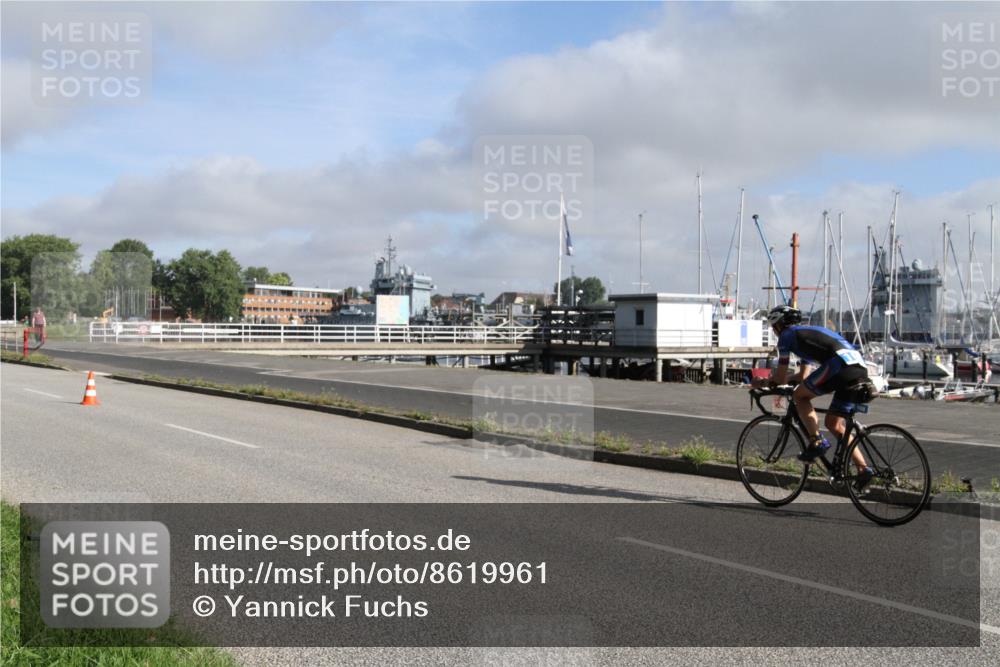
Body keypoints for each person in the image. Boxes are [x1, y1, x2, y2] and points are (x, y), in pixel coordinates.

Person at [752, 305, 873, 489]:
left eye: (773, 326)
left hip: (839, 366)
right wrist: (787, 379)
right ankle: (864, 470)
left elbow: (780, 377)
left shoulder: (787, 336)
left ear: (778, 325)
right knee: (835, 424)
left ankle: (816, 441)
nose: (774, 331)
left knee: (800, 397)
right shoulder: (806, 335)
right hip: (857, 367)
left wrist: (763, 382)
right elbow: (802, 376)